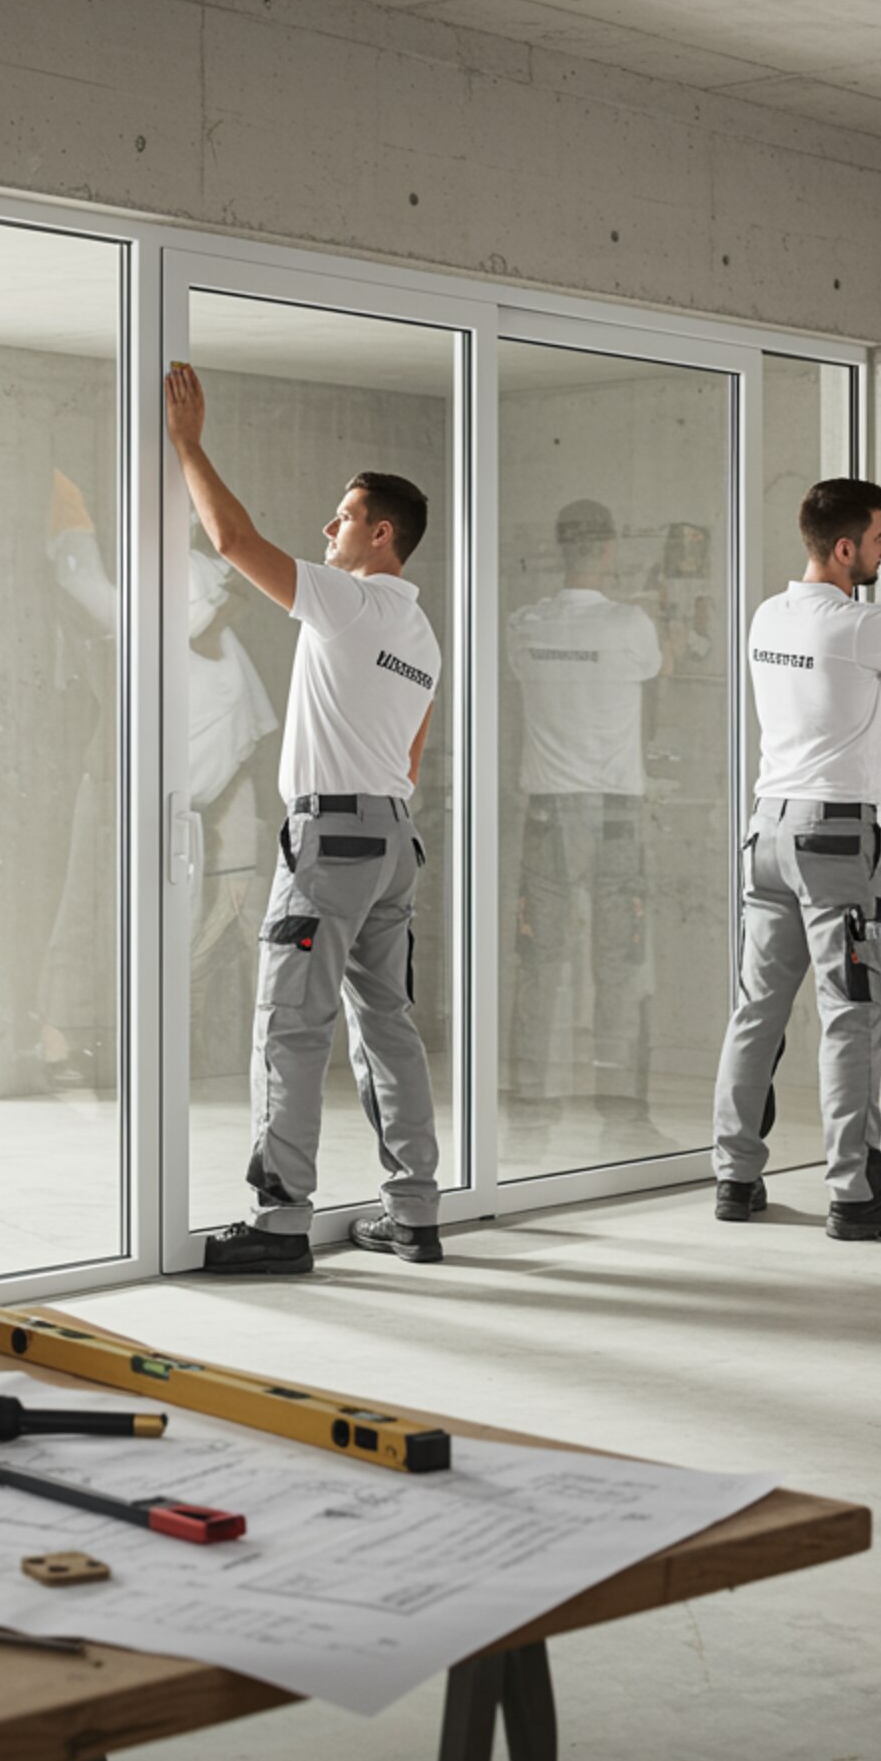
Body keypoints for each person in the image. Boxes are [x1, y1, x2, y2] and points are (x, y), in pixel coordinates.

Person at [164, 363, 443, 1274]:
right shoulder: (422, 635)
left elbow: (234, 539)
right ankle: (413, 1212)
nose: (330, 529)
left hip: (332, 843)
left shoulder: (348, 600)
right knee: (387, 1028)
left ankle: (280, 1224)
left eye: (343, 516)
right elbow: (410, 759)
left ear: (381, 534)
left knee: (291, 1024)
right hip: (393, 841)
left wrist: (188, 445)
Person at [709, 478, 881, 1241]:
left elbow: (859, 646)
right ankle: (857, 1195)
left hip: (768, 835)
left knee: (756, 1012)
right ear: (843, 547)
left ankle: (735, 1178)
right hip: (834, 845)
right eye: (879, 537)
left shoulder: (774, 614)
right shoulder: (854, 627)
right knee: (851, 1016)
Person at [505, 501, 664, 1142]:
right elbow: (657, 669)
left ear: (559, 549)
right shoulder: (631, 625)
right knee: (618, 961)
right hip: (616, 810)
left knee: (539, 961)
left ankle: (530, 1101)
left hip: (547, 812)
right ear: (608, 551)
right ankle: (619, 1105)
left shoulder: (524, 625)